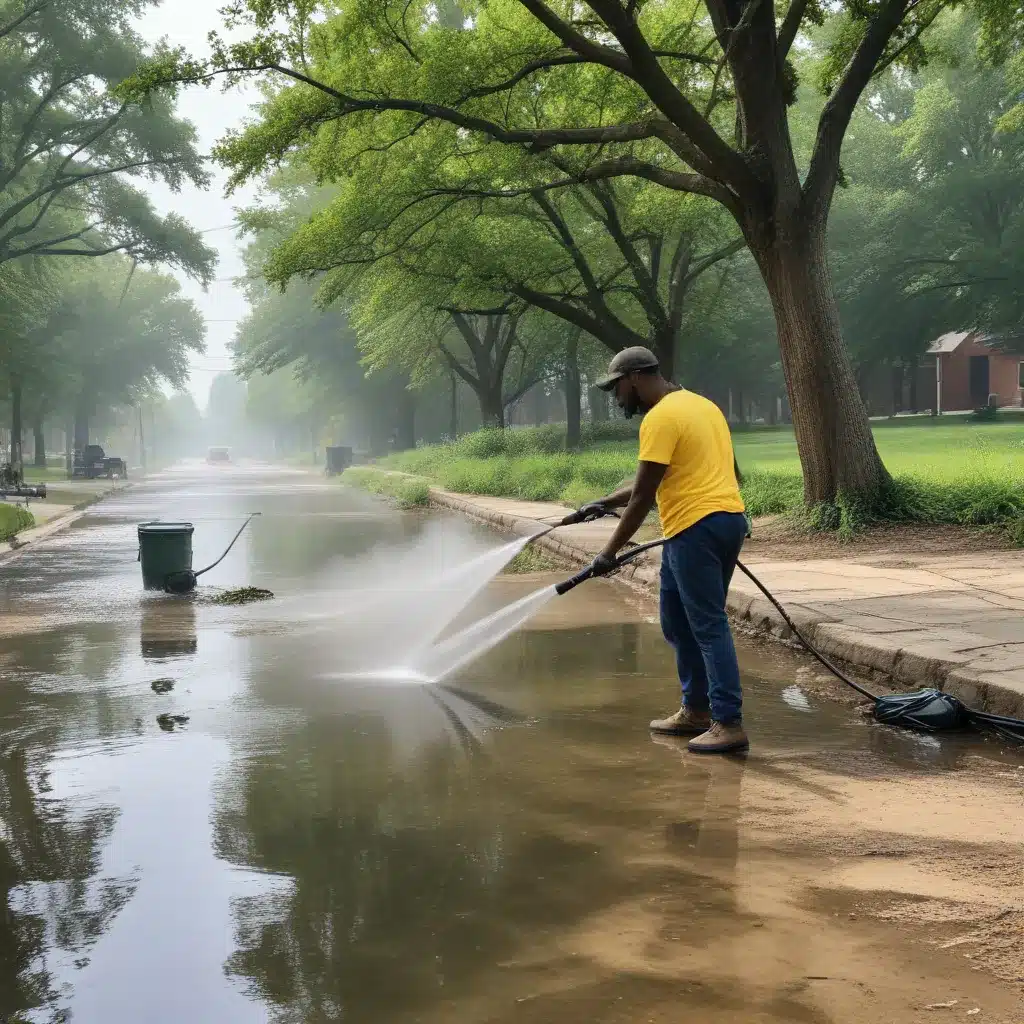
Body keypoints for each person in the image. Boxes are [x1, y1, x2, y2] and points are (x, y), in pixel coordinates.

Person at [570, 346, 749, 754]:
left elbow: (644, 496)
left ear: (634, 377)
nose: (617, 400)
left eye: (616, 389)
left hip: (695, 528)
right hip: (723, 521)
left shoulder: (659, 418)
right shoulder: (702, 406)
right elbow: (717, 472)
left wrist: (608, 553)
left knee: (707, 624)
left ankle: (727, 721)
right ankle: (696, 711)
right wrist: (603, 502)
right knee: (676, 620)